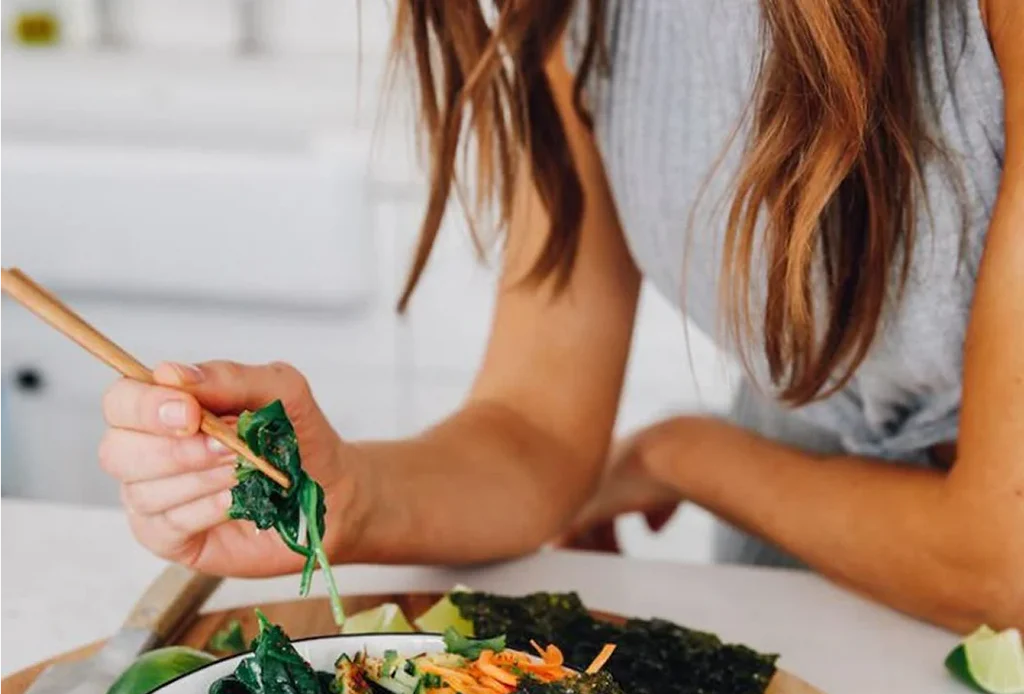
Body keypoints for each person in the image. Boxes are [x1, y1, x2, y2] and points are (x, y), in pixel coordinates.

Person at [98, 0, 1023, 634]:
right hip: (807, 571)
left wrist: (684, 456)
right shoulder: (583, 18)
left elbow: (998, 564)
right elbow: (534, 428)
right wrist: (344, 497)